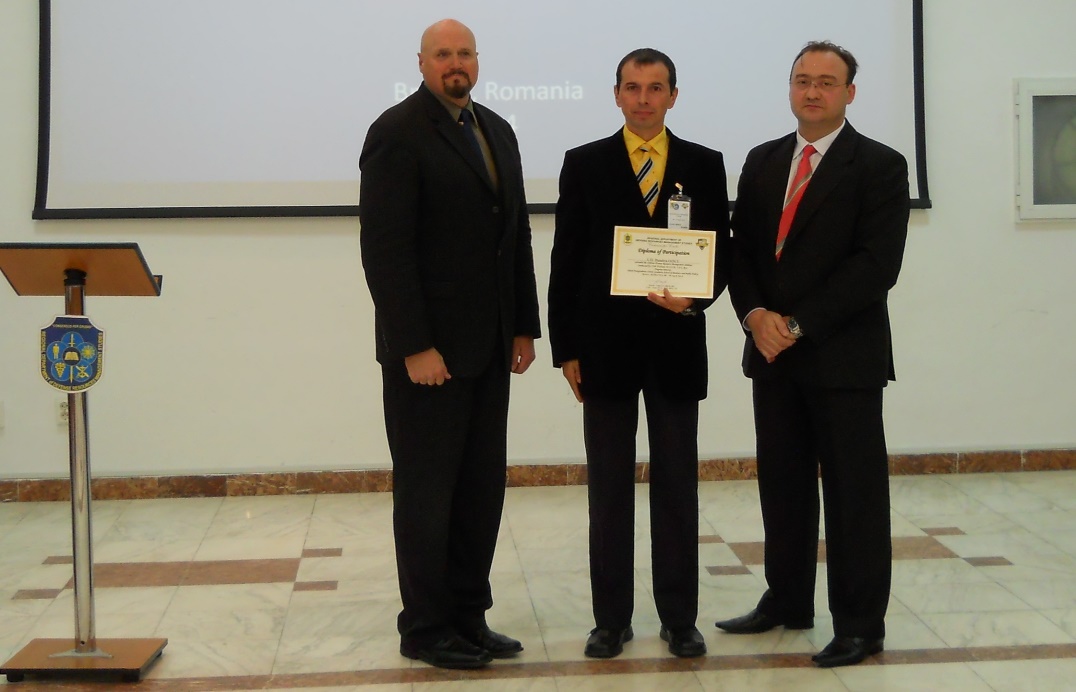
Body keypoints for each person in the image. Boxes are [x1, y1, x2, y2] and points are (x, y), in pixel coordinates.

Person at [715, 41, 910, 668]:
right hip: (771, 355)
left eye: (827, 81)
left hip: (842, 359)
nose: (813, 91)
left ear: (850, 92)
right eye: (803, 80)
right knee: (783, 487)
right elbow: (742, 252)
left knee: (854, 496)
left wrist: (796, 325)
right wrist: (755, 317)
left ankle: (859, 625)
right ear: (790, 88)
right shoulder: (763, 159)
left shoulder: (880, 165)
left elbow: (875, 266)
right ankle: (787, 599)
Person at [358, 18, 541, 670]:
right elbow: (386, 252)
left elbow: (514, 235)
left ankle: (469, 615)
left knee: (479, 492)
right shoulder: (396, 132)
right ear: (422, 62)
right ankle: (425, 628)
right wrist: (414, 345)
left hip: (490, 348)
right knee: (428, 496)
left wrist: (523, 325)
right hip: (429, 357)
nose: (455, 63)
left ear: (477, 61)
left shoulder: (497, 129)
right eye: (443, 54)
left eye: (464, 53)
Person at [548, 48, 730, 660]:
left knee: (677, 486)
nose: (644, 99)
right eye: (633, 87)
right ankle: (611, 619)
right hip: (604, 350)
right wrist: (566, 348)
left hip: (676, 347)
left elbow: (720, 252)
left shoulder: (704, 164)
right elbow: (567, 260)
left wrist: (696, 298)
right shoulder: (585, 163)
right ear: (617, 94)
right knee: (608, 488)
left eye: (656, 88)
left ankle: (680, 618)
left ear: (674, 96)